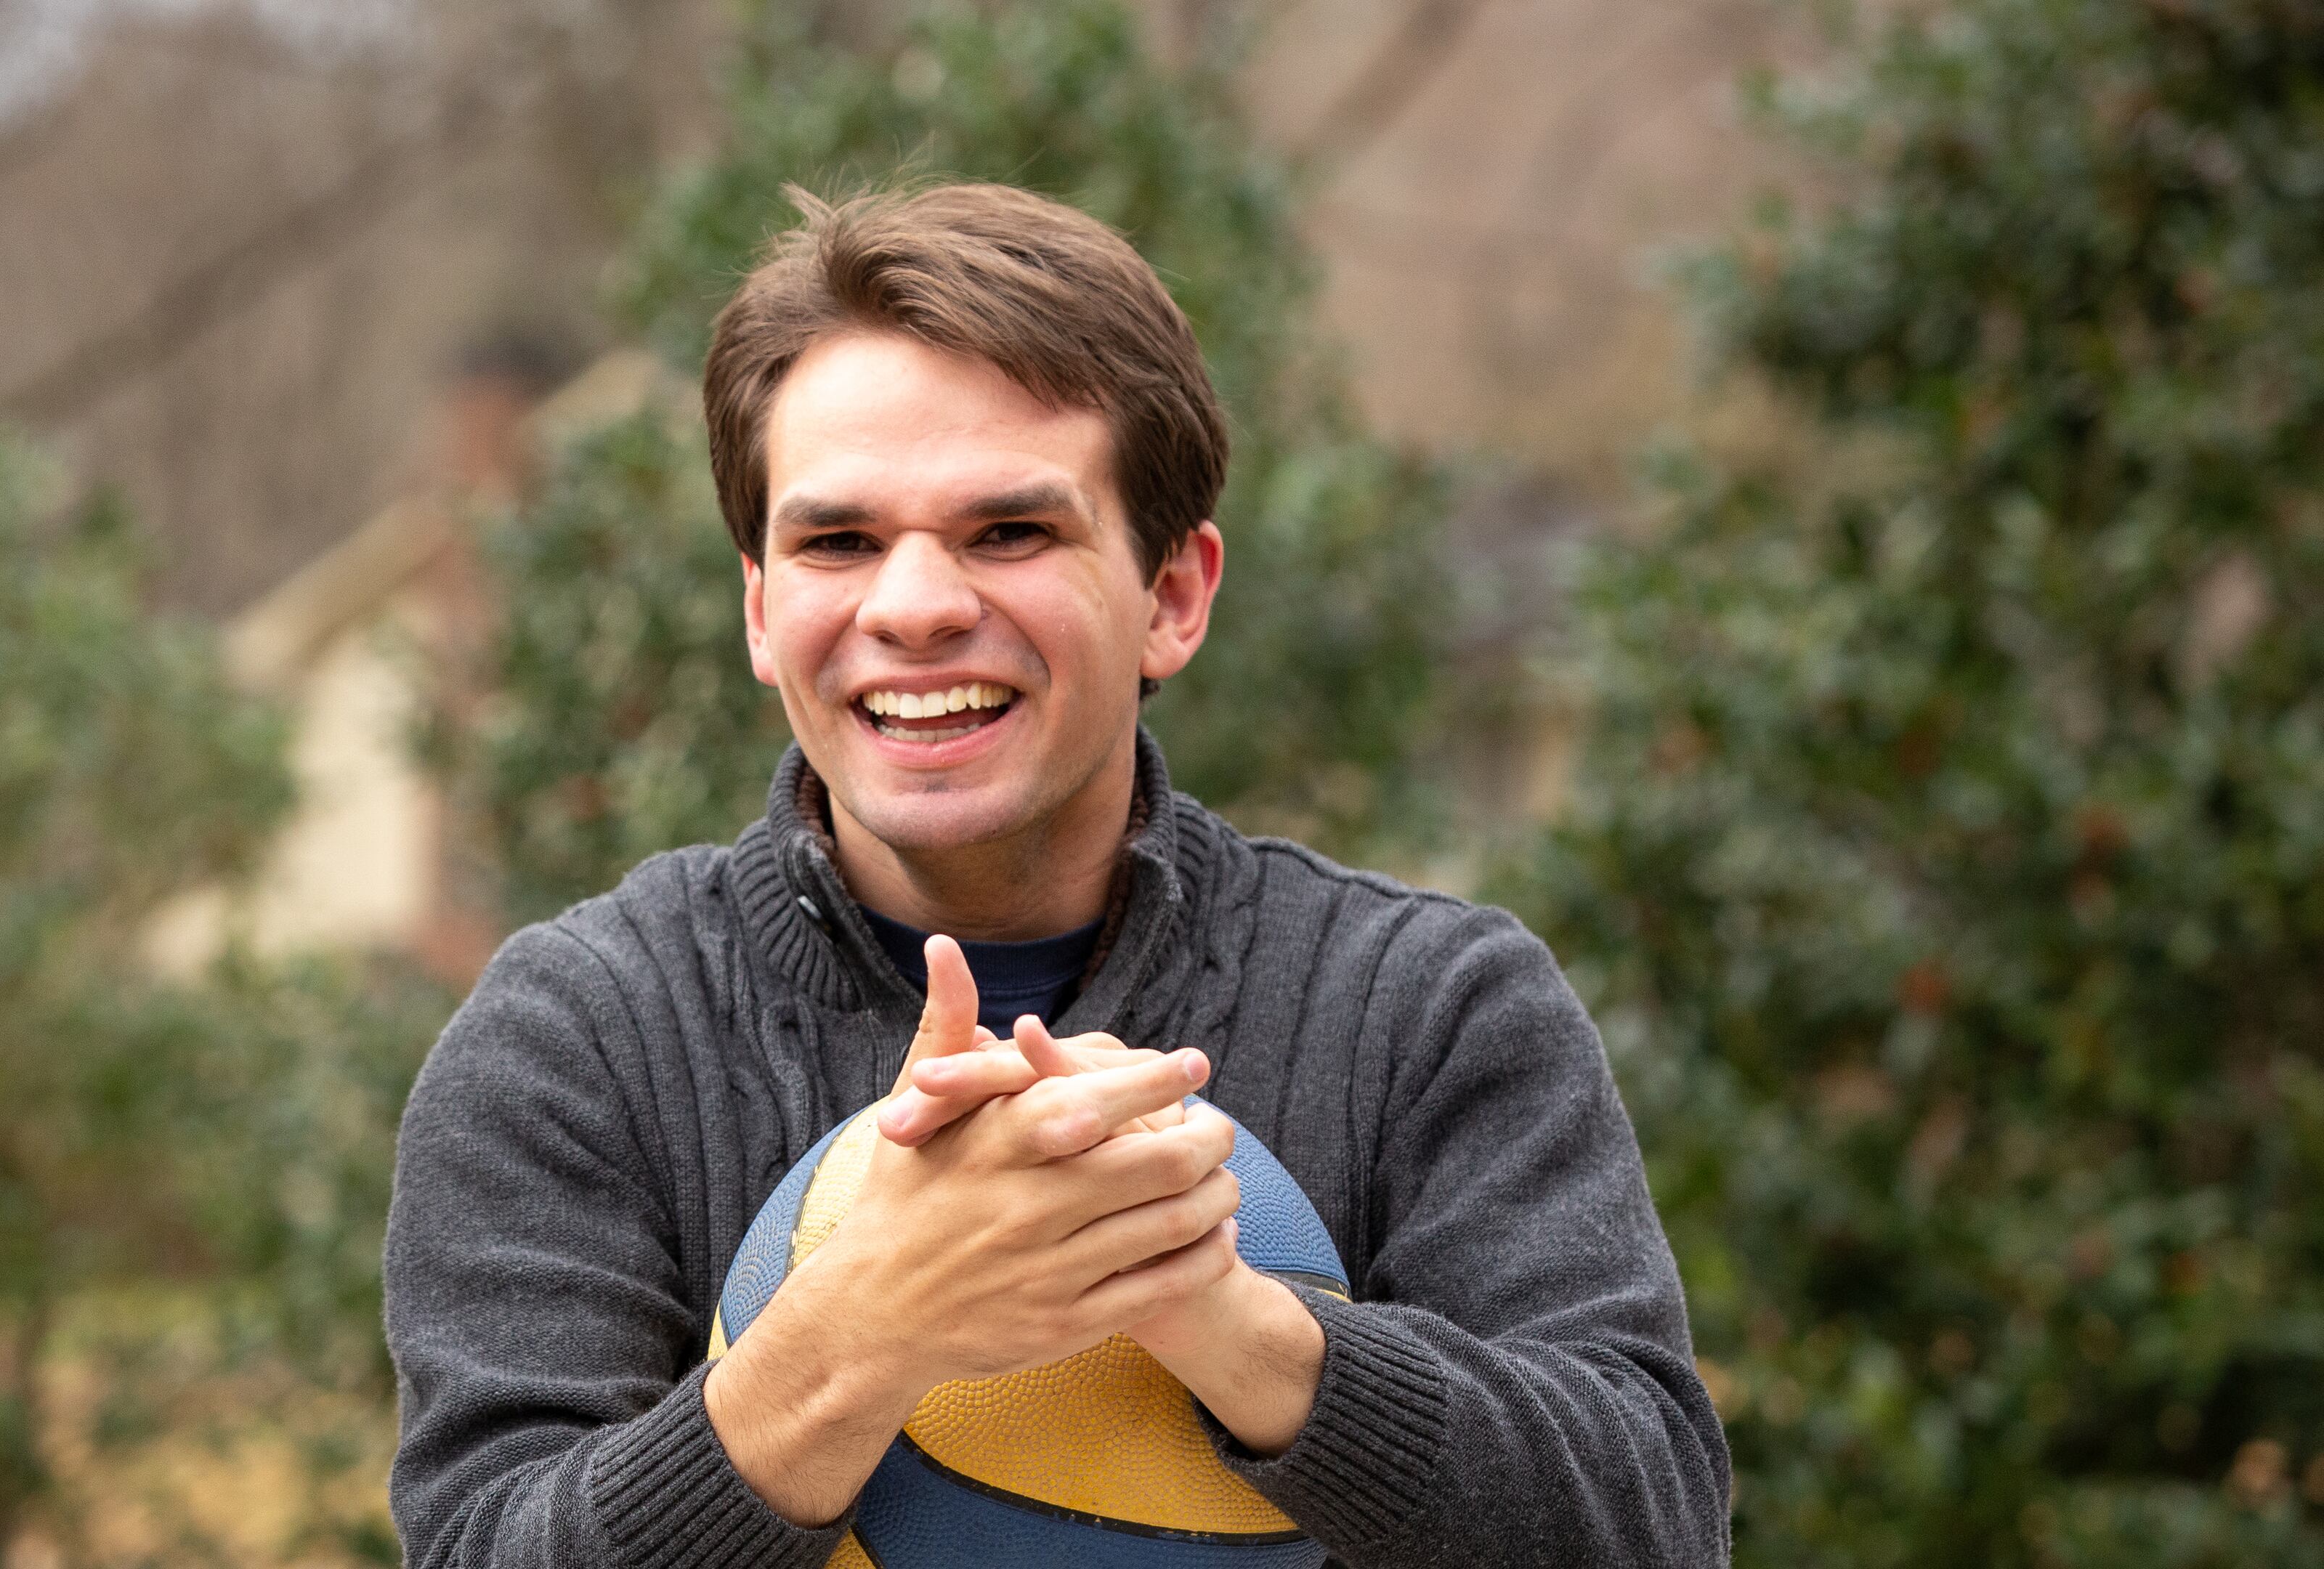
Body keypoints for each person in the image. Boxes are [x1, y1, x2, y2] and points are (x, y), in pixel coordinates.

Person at [384, 182, 1731, 1568]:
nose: (912, 606)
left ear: (1173, 596)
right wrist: (858, 1328)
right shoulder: (582, 1034)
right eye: (837, 541)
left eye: (1009, 533)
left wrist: (1221, 1309)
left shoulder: (1431, 1006)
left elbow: (1653, 1524)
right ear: (760, 610)